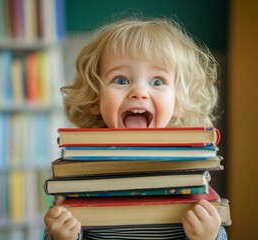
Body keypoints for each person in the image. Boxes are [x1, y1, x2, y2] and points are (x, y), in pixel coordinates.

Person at [43, 16, 227, 240]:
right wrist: (61, 236)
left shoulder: (189, 165)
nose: (139, 92)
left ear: (177, 102)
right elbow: (58, 225)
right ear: (94, 98)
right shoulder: (79, 171)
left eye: (157, 81)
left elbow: (214, 227)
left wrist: (209, 236)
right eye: (120, 80)